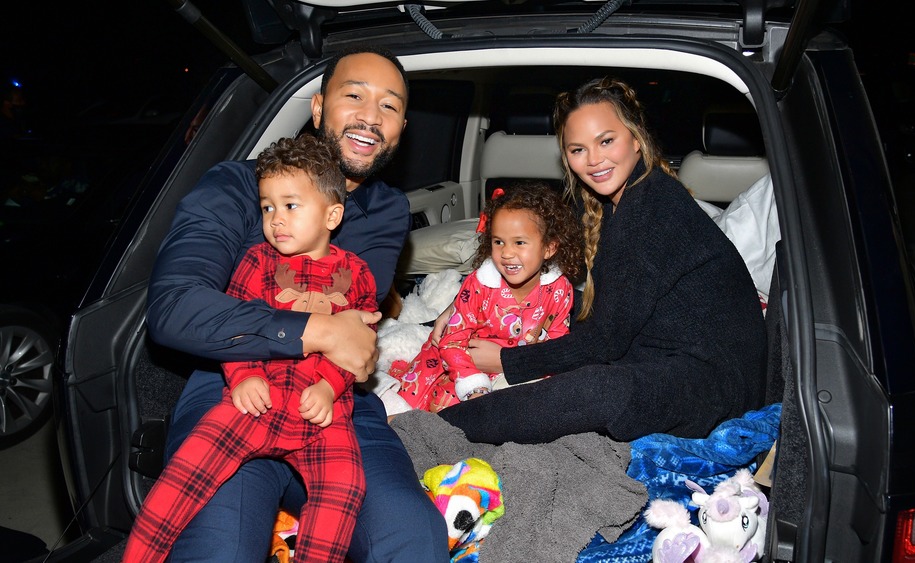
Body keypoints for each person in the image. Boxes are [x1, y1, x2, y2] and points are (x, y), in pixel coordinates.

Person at [145, 45, 450, 562]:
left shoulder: (387, 210)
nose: (370, 118)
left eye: (390, 107)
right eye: (354, 96)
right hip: (235, 386)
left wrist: (335, 337)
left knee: (412, 538)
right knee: (219, 547)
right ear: (317, 108)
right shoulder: (236, 186)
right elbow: (174, 307)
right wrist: (318, 331)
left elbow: (360, 319)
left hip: (334, 400)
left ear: (400, 127)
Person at [436, 77, 767, 445]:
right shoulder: (607, 201)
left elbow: (607, 339)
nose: (594, 160)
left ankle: (432, 431)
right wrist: (461, 304)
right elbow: (539, 262)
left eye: (606, 141)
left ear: (636, 139)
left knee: (600, 389)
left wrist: (507, 361)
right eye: (578, 149)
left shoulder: (655, 209)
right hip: (662, 349)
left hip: (716, 384)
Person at [126, 135, 375, 562]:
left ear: (332, 214)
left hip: (321, 411)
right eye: (267, 207)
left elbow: (359, 343)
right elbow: (236, 326)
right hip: (257, 400)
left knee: (345, 485)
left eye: (291, 206)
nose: (276, 219)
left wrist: (331, 388)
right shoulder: (257, 262)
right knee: (183, 475)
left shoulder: (357, 273)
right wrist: (243, 375)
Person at [391, 184, 583, 412]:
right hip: (461, 360)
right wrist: (472, 384)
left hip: (515, 366)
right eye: (498, 241)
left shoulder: (559, 289)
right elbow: (452, 340)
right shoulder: (479, 285)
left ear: (549, 248)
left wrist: (545, 378)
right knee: (430, 406)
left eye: (519, 242)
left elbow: (557, 342)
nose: (507, 253)